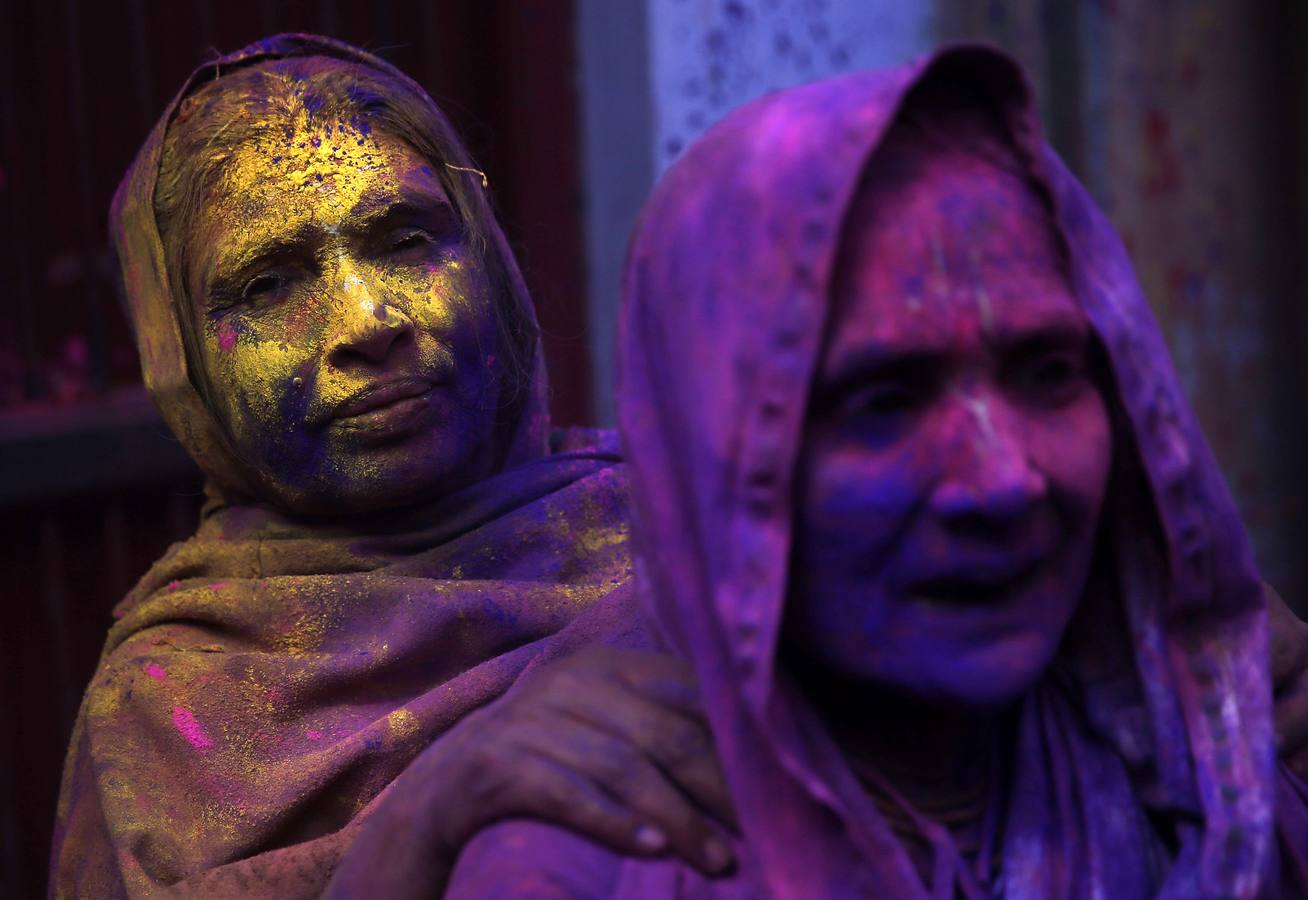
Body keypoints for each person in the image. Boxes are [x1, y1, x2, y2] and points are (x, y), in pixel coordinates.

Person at [444, 44, 1308, 897]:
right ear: (706, 457)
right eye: (883, 402)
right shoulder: (576, 870)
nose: (1005, 481)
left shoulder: (1226, 792)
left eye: (1049, 373)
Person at [49, 34, 736, 898]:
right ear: (181, 359)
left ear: (489, 258)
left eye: (407, 239)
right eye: (267, 285)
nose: (367, 322)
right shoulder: (163, 709)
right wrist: (430, 818)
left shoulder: (697, 543)